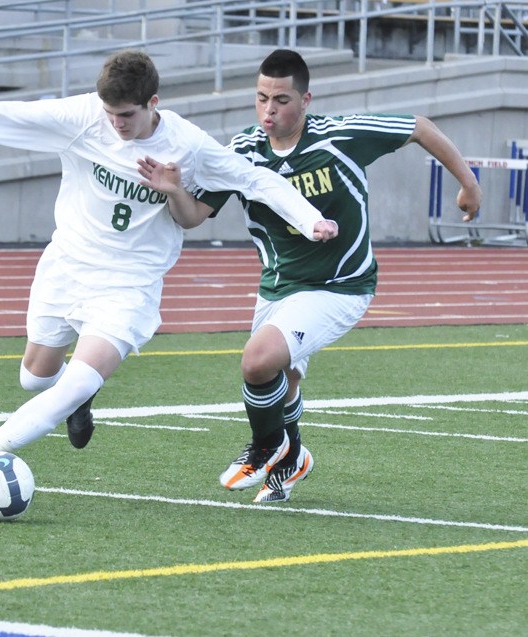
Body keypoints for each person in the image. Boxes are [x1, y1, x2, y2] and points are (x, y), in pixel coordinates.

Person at [0, 49, 339, 499]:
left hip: (130, 283)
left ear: (153, 103)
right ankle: (76, 400)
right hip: (67, 265)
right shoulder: (83, 116)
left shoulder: (186, 143)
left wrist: (309, 219)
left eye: (126, 115)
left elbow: (255, 179)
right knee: (35, 377)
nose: (117, 125)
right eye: (110, 114)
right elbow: (6, 115)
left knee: (79, 379)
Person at [137, 48, 482, 504]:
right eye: (261, 98)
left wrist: (469, 183)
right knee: (285, 381)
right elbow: (193, 216)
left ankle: (268, 447)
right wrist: (173, 191)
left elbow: (419, 126)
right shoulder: (242, 151)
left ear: (305, 100)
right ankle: (293, 457)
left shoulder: (340, 136)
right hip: (278, 287)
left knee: (258, 361)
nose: (269, 110)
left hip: (341, 286)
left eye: (281, 100)